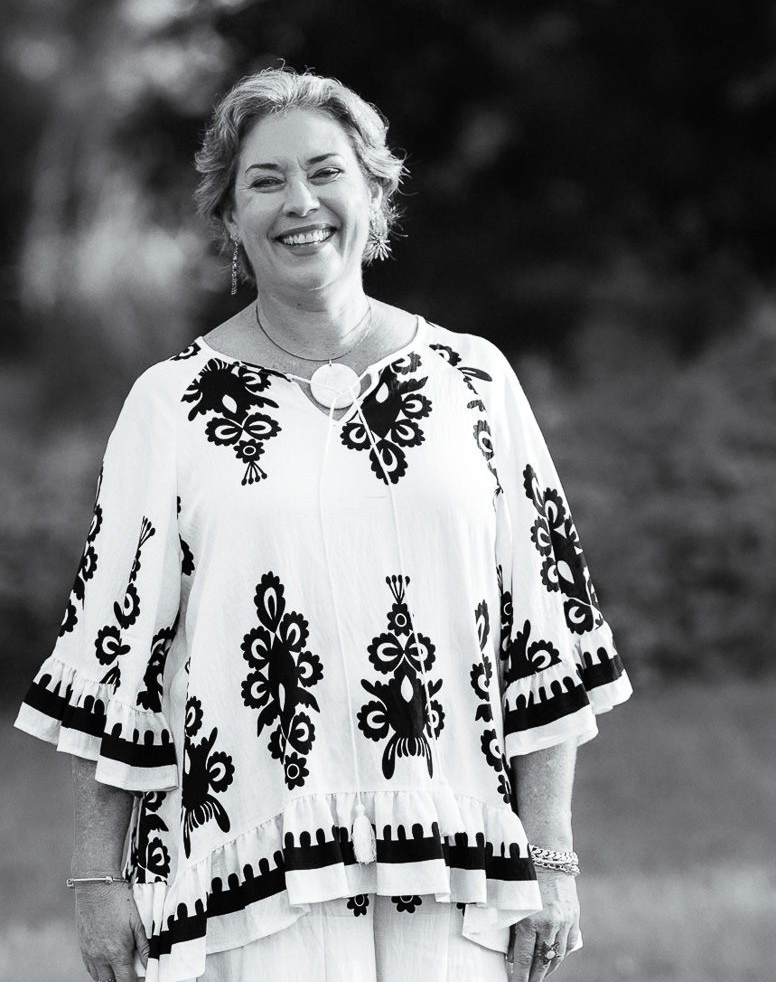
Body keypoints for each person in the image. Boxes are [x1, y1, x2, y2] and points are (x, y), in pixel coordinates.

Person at [15, 68, 631, 982]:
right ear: (230, 217)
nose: (300, 202)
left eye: (326, 171)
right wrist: (97, 880)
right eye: (265, 181)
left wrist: (551, 856)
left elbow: (544, 639)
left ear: (373, 190)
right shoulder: (169, 406)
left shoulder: (475, 381)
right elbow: (116, 657)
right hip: (246, 874)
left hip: (455, 860)